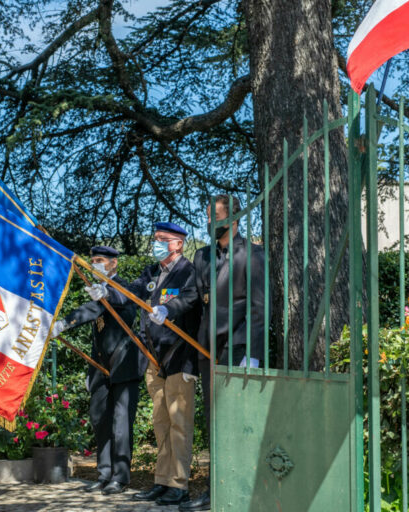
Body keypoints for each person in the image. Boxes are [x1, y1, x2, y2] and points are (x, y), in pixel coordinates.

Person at [86, 222, 200, 506]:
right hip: (154, 357)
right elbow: (132, 292)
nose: (156, 243)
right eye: (155, 239)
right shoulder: (151, 272)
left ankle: (178, 484)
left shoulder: (189, 270)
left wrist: (168, 308)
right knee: (161, 423)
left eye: (163, 239)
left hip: (180, 356)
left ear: (178, 244)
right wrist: (107, 292)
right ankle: (162, 481)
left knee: (179, 424)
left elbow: (189, 299)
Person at [181, 195, 266, 511]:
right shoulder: (202, 257)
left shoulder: (253, 255)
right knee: (214, 422)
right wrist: (164, 307)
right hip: (208, 351)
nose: (208, 222)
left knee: (238, 422)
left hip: (238, 348)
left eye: (213, 216)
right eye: (207, 216)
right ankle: (215, 492)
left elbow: (259, 309)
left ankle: (242, 491)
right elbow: (192, 299)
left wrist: (253, 356)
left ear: (232, 220)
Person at [51, 246, 140, 495]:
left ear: (113, 264)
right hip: (100, 367)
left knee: (121, 423)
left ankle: (120, 477)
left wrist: (67, 322)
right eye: (92, 261)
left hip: (124, 366)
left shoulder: (124, 288)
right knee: (100, 419)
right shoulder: (98, 291)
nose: (94, 265)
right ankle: (104, 474)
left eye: (99, 261)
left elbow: (99, 308)